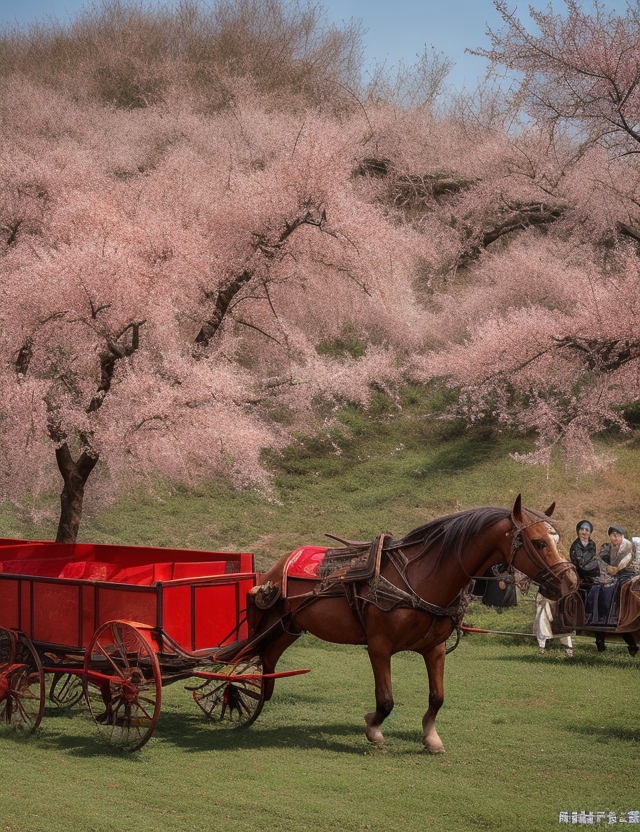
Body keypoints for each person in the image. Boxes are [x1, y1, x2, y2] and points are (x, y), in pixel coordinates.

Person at [533, 590, 573, 656]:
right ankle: (541, 649)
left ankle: (569, 650)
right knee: (542, 628)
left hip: (559, 609)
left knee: (565, 631)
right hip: (545, 609)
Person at [569, 520, 599, 595]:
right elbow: (579, 563)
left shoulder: (592, 544)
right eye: (581, 529)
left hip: (591, 570)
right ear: (578, 531)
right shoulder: (576, 545)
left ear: (590, 532)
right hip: (580, 572)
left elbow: (592, 558)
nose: (584, 532)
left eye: (587, 530)